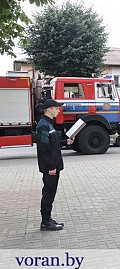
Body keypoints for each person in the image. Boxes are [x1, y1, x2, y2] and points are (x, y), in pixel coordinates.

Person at [36, 99, 74, 231]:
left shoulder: (49, 124)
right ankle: (45, 222)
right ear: (50, 109)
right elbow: (43, 148)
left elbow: (53, 144)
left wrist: (65, 142)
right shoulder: (43, 126)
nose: (59, 110)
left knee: (51, 193)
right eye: (57, 108)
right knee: (48, 193)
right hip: (50, 167)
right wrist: (50, 167)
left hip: (54, 165)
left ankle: (48, 219)